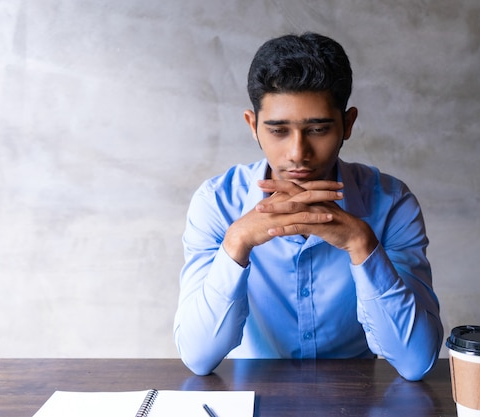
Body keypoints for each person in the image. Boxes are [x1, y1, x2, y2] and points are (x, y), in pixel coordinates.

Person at [174, 32, 443, 381]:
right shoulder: (216, 203)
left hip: (355, 401)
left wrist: (362, 245)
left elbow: (416, 362)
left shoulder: (391, 203)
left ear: (348, 124)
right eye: (278, 131)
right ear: (252, 126)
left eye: (317, 129)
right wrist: (236, 243)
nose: (298, 153)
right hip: (254, 400)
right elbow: (197, 357)